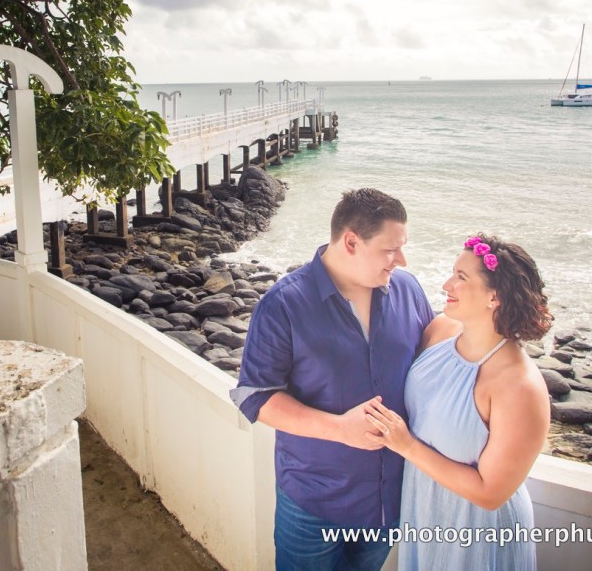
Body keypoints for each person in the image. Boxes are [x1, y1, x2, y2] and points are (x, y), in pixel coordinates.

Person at [231, 188, 434, 571]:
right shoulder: (283, 304)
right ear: (352, 242)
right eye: (391, 250)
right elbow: (255, 397)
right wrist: (340, 429)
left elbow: (436, 353)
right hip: (314, 502)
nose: (401, 260)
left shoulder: (408, 290)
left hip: (388, 500)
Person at [364, 234, 552, 571]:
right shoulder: (441, 331)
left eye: (461, 278)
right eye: (453, 272)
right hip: (423, 509)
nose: (446, 284)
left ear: (495, 296)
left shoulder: (519, 387)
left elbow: (490, 493)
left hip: (476, 529)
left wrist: (406, 446)